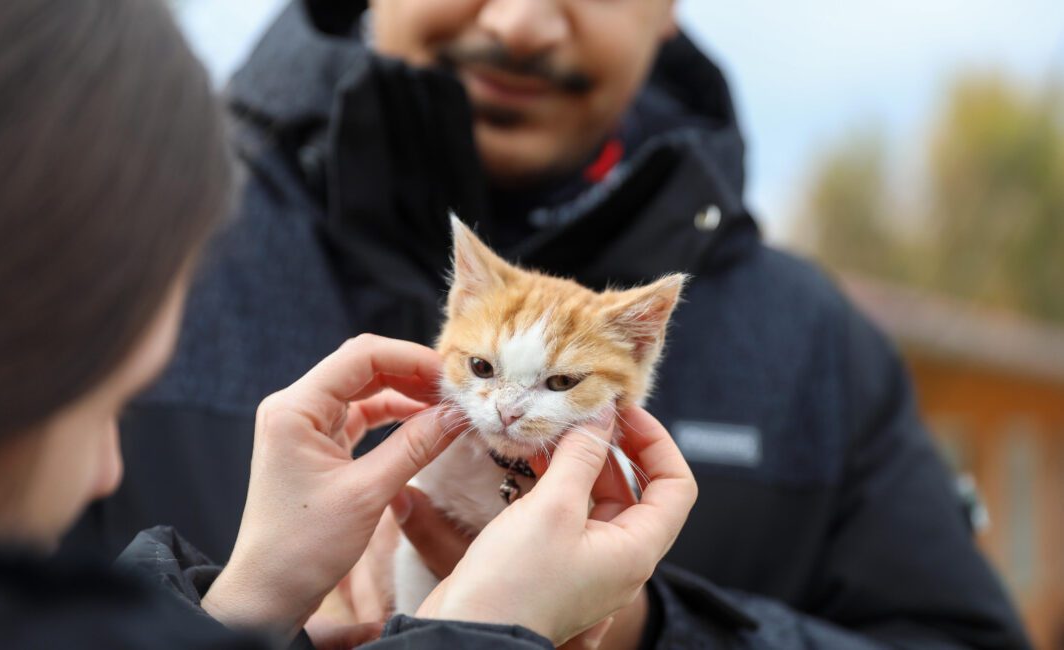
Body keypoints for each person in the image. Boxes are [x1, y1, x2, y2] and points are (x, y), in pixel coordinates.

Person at [64, 0, 1033, 648]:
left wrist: (641, 623)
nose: (522, 21)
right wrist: (233, 610)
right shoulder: (127, 236)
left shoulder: (816, 341)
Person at [0, 1, 699, 648]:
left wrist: (647, 624)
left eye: (561, 383)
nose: (519, 20)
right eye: (105, 406)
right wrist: (476, 636)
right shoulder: (196, 189)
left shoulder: (791, 320)